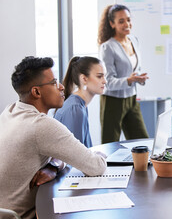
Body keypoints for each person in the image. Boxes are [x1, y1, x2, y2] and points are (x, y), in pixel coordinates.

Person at [0, 57, 107, 219]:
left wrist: (54, 165)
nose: (62, 87)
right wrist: (101, 155)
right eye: (54, 83)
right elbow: (96, 166)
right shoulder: (42, 125)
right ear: (36, 92)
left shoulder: (10, 111)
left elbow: (57, 154)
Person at [98, 4, 149, 144]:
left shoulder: (134, 41)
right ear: (111, 24)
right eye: (121, 21)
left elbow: (133, 70)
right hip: (112, 101)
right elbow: (108, 81)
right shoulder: (107, 47)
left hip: (131, 99)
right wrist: (129, 80)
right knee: (110, 144)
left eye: (128, 19)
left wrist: (139, 78)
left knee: (142, 142)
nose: (127, 24)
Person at [54, 56, 106, 148]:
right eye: (99, 76)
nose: (105, 81)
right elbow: (74, 156)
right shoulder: (75, 109)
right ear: (84, 79)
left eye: (104, 76)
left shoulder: (80, 105)